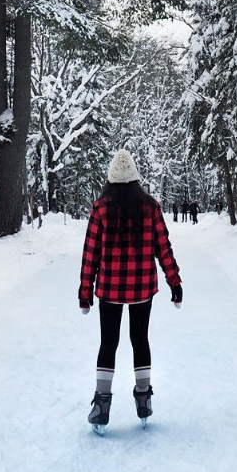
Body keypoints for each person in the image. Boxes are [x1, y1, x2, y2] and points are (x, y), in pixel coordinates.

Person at [79, 149, 182, 433]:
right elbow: (164, 248)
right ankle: (144, 399)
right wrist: (174, 282)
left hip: (110, 288)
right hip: (141, 287)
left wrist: (85, 292)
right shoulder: (150, 207)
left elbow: (90, 254)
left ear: (111, 179)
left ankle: (102, 406)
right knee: (140, 340)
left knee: (108, 343)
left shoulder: (100, 208)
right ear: (135, 178)